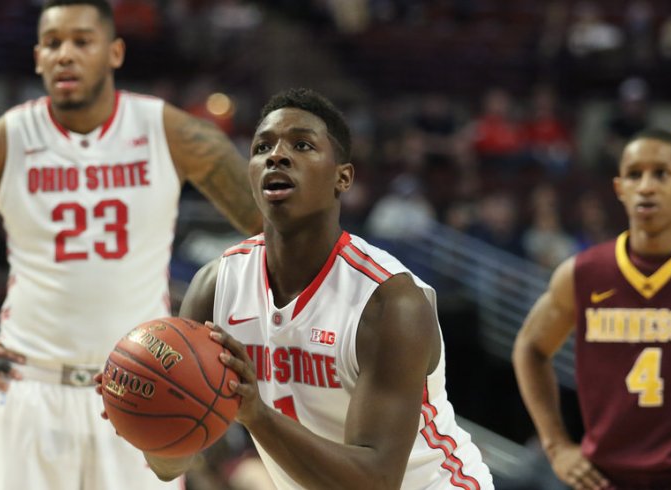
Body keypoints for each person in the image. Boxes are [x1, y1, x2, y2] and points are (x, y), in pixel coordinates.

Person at [0, 1, 261, 489]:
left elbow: (269, 226)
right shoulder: (6, 139)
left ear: (115, 52)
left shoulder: (169, 132)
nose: (65, 55)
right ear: (37, 57)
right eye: (53, 43)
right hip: (30, 387)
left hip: (144, 389)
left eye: (82, 41)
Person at [120, 87, 493, 489]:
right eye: (262, 147)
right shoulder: (216, 286)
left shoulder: (389, 301)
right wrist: (139, 409)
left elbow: (376, 482)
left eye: (301, 145)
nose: (276, 156)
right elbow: (171, 465)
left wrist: (256, 415)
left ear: (342, 177)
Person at [512, 129, 671, 489]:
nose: (646, 186)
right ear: (619, 188)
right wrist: (557, 447)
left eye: (661, 174)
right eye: (635, 174)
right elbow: (529, 347)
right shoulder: (582, 273)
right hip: (607, 479)